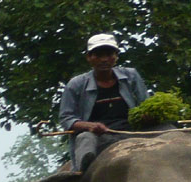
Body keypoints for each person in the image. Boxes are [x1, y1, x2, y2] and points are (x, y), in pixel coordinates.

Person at [58, 33, 149, 172]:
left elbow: (145, 103)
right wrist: (90, 126)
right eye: (98, 55)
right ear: (89, 57)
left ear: (116, 56)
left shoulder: (131, 76)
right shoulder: (76, 84)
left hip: (133, 131)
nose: (104, 59)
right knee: (84, 138)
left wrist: (148, 115)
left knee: (169, 130)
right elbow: (66, 118)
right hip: (97, 136)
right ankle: (82, 174)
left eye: (109, 54)